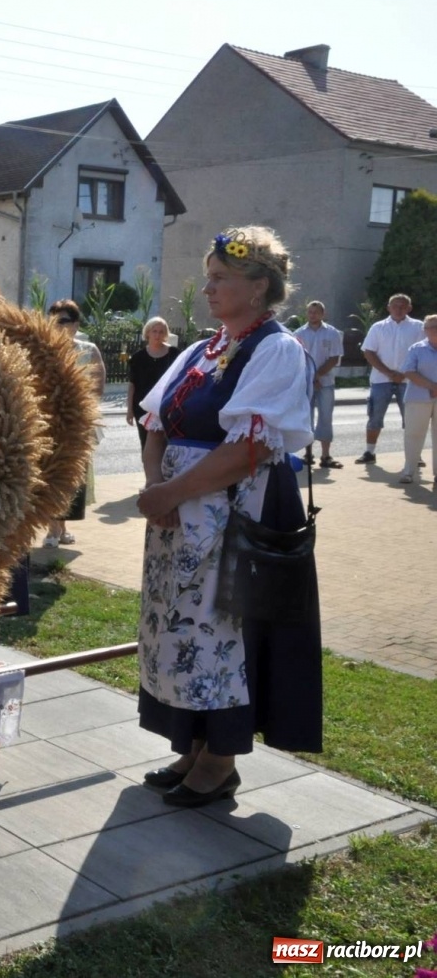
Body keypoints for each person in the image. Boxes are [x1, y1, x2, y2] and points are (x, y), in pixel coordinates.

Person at [134, 226, 320, 807]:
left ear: (259, 287)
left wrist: (171, 493)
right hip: (178, 516)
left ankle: (220, 759)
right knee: (178, 629)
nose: (208, 288)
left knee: (223, 631)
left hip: (235, 515)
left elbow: (251, 449)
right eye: (209, 277)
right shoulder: (200, 350)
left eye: (221, 279)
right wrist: (154, 487)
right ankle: (190, 744)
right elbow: (156, 421)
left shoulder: (277, 349)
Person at [45, 299, 103, 546]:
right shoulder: (43, 349)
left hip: (76, 422)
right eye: (53, 319)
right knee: (48, 474)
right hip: (48, 421)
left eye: (63, 321)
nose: (57, 325)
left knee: (69, 476)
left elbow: (98, 386)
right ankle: (52, 530)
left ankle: (63, 526)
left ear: (76, 324)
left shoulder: (87, 349)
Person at [356, 293, 423, 465]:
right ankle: (369, 452)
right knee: (375, 417)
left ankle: (415, 455)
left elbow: (422, 354)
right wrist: (390, 373)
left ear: (409, 308)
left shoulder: (419, 327)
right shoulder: (378, 327)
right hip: (381, 380)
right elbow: (368, 352)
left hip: (409, 381)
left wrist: (405, 373)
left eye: (402, 306)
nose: (399, 309)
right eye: (395, 306)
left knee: (411, 420)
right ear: (388, 308)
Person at [293, 301, 343, 468]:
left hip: (326, 383)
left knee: (326, 418)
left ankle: (326, 456)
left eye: (316, 312)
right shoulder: (298, 334)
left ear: (323, 313)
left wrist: (318, 375)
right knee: (307, 419)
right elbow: (297, 360)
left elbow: (334, 357)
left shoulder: (332, 333)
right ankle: (308, 454)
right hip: (306, 384)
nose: (313, 315)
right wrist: (311, 378)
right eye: (310, 312)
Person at [126, 317, 180, 449]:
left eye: (161, 332)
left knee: (167, 444)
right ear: (148, 333)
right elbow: (132, 384)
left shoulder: (174, 354)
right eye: (154, 331)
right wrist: (129, 410)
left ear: (166, 334)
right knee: (146, 444)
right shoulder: (138, 358)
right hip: (143, 407)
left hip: (167, 407)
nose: (157, 335)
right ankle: (149, 469)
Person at [397, 314, 437, 486]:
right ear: (425, 331)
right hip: (418, 398)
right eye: (431, 327)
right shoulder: (417, 348)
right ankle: (409, 471)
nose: (434, 330)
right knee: (413, 434)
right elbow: (408, 370)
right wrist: (432, 386)